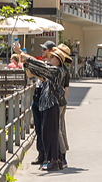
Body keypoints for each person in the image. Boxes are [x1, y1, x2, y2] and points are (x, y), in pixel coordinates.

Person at [23, 43, 70, 172]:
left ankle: (53, 161)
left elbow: (42, 67)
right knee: (48, 133)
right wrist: (26, 63)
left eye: (53, 57)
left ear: (59, 60)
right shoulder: (52, 69)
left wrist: (26, 57)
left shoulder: (57, 70)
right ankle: (56, 160)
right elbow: (38, 71)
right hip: (47, 105)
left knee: (51, 134)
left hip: (51, 105)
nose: (49, 58)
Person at [30, 40, 57, 165]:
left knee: (44, 128)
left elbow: (43, 77)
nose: (42, 51)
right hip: (37, 96)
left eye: (45, 49)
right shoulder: (44, 63)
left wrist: (29, 62)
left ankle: (48, 155)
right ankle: (41, 154)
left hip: (45, 98)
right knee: (38, 128)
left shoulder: (52, 67)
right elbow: (29, 74)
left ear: (52, 50)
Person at [55, 43, 72, 168]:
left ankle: (62, 155)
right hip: (62, 102)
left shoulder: (60, 71)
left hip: (58, 102)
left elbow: (64, 89)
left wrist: (60, 102)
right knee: (61, 128)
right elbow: (66, 90)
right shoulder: (66, 70)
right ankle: (63, 154)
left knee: (58, 129)